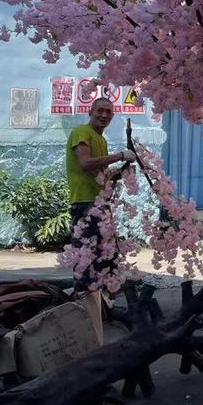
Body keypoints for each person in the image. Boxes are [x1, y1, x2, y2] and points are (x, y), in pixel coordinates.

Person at [65, 96, 135, 289]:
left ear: (112, 116)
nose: (104, 115)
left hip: (100, 204)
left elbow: (102, 176)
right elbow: (85, 163)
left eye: (108, 112)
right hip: (84, 203)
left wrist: (122, 172)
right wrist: (120, 155)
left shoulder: (101, 140)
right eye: (100, 110)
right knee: (86, 261)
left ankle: (103, 305)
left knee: (106, 258)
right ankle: (84, 307)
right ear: (90, 112)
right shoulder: (81, 132)